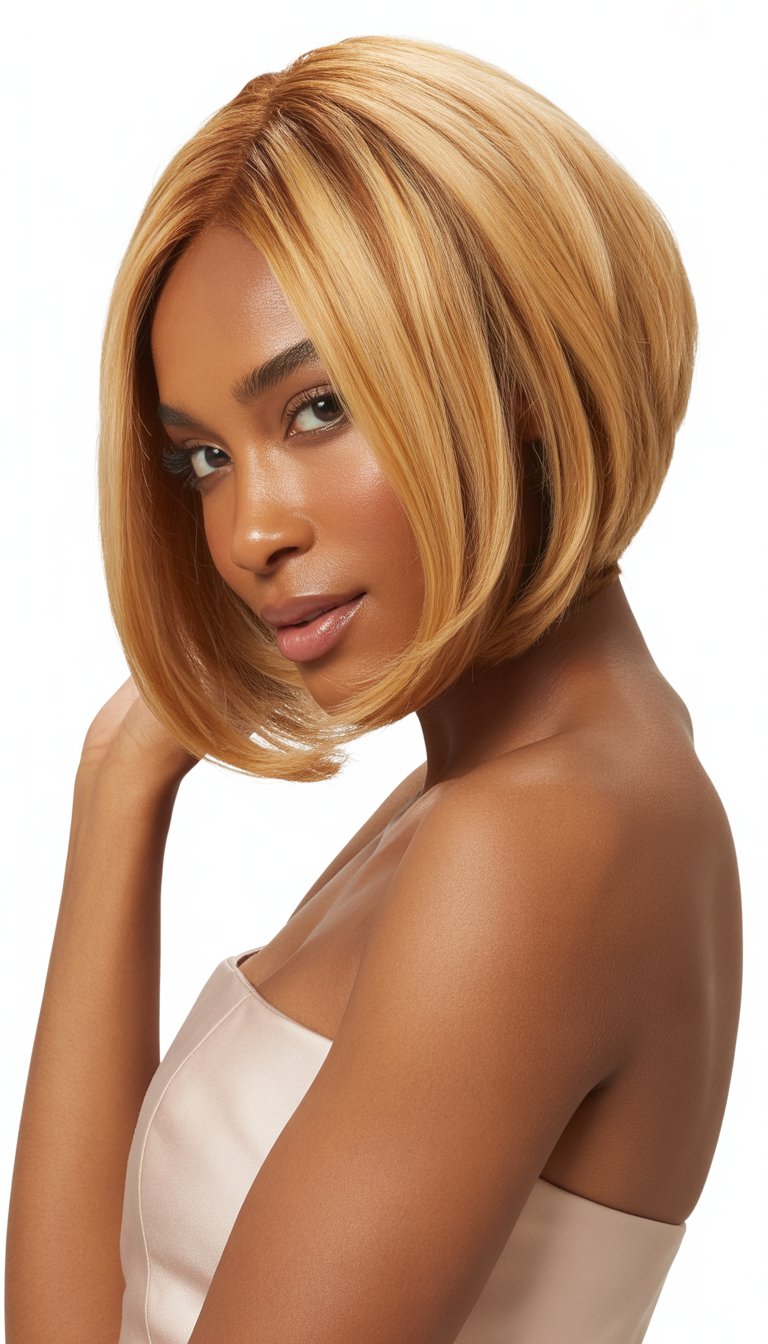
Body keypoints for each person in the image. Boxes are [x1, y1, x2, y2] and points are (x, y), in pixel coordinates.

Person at [6, 33, 742, 1344]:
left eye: (316, 408)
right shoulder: (468, 794)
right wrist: (120, 782)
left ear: (516, 376)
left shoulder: (535, 841)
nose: (245, 533)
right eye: (199, 461)